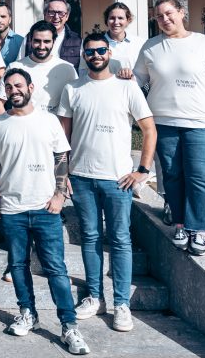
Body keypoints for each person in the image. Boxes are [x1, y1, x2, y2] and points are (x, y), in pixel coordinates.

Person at [0, 68, 89, 355]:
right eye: (8, 87)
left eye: (18, 85)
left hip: (45, 208)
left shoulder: (48, 120)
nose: (13, 90)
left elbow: (61, 157)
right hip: (11, 208)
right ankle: (28, 313)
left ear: (30, 88)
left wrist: (59, 194)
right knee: (18, 265)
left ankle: (69, 325)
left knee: (56, 269)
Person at [58, 33, 157, 332]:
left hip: (118, 180)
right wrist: (62, 175)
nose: (96, 55)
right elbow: (62, 138)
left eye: (101, 50)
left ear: (109, 53)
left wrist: (142, 170)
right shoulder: (73, 88)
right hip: (82, 178)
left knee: (120, 239)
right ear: (84, 56)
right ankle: (94, 297)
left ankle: (121, 304)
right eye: (90, 52)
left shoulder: (127, 87)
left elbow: (149, 130)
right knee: (90, 237)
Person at [134, 0, 205, 256]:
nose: (164, 19)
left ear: (181, 12)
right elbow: (138, 79)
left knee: (199, 178)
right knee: (172, 177)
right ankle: (179, 223)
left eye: (169, 13)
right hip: (162, 124)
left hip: (199, 124)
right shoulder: (151, 46)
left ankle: (198, 229)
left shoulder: (204, 43)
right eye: (159, 16)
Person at [0, 21, 78, 116]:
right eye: (37, 41)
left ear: (54, 42)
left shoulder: (67, 69)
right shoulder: (15, 67)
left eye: (46, 41)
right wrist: (10, 123)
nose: (41, 46)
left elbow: (76, 104)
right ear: (30, 41)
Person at [80, 2, 146, 79]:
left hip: (133, 85)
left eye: (120, 18)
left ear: (128, 20)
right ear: (106, 20)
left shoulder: (140, 43)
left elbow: (146, 73)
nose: (116, 22)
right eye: (112, 18)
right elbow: (83, 71)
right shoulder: (95, 44)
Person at [31, 0, 82, 68]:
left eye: (61, 13)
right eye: (52, 12)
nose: (56, 17)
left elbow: (82, 69)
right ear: (45, 14)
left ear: (67, 16)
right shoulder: (30, 38)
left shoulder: (77, 41)